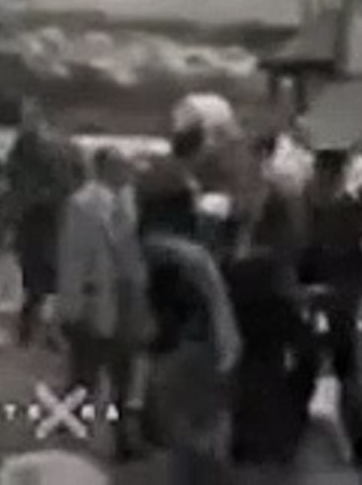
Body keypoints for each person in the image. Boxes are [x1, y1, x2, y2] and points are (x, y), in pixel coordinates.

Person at [136, 161, 241, 485]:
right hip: (199, 354)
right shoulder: (192, 257)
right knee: (207, 447)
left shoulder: (140, 249)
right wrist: (229, 357)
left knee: (181, 449)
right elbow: (219, 312)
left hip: (165, 356)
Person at [56, 148, 149, 461]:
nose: (127, 173)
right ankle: (71, 433)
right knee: (86, 372)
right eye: (122, 167)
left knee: (123, 372)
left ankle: (123, 439)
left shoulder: (129, 201)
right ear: (106, 168)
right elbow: (73, 257)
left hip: (124, 298)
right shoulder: (82, 204)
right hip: (94, 298)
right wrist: (72, 305)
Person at [294, 146, 362, 472]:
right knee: (344, 371)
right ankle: (360, 446)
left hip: (317, 296)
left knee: (312, 365)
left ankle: (302, 431)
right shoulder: (347, 208)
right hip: (337, 298)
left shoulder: (305, 205)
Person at [224, 191, 310, 466]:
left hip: (242, 326)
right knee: (279, 378)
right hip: (272, 325)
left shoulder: (241, 251)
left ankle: (246, 441)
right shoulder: (278, 257)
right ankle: (278, 442)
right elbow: (287, 296)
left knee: (249, 382)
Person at [5, 99, 80, 346]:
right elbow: (15, 181)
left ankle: (44, 330)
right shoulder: (22, 149)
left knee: (50, 277)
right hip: (34, 221)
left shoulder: (55, 149)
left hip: (48, 219)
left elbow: (65, 184)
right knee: (37, 278)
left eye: (31, 117)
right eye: (25, 117)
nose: (27, 122)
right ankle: (35, 329)